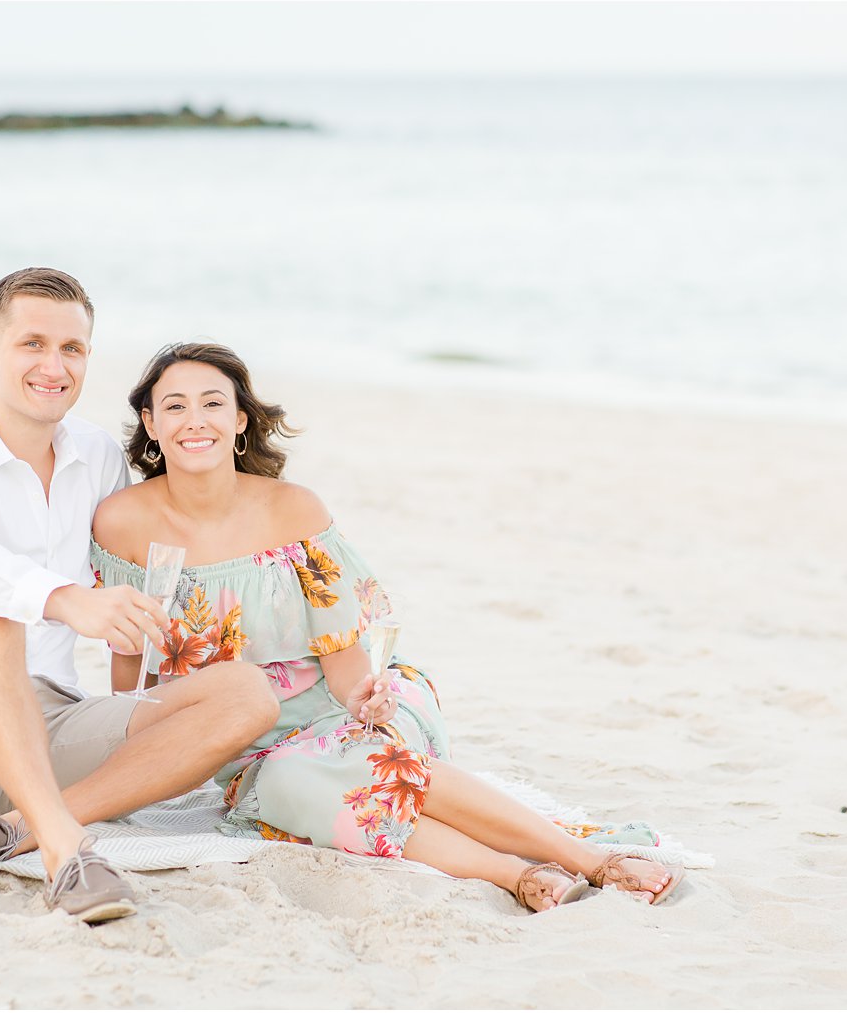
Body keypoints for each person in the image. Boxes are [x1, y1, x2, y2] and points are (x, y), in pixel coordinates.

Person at [89, 343, 684, 912]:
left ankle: (579, 862)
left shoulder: (292, 510)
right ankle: (520, 872)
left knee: (363, 763)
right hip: (240, 738)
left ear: (241, 420)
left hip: (336, 705)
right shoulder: (123, 524)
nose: (196, 420)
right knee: (304, 785)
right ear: (150, 423)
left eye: (213, 403)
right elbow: (130, 684)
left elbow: (344, 660)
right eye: (175, 405)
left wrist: (365, 701)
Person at [0, 271, 280, 923]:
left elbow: (145, 548)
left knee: (248, 691)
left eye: (72, 349)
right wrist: (64, 598)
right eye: (33, 344)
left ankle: (11, 829)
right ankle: (65, 850)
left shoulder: (97, 455)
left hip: (46, 725)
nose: (54, 366)